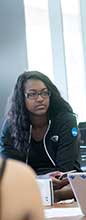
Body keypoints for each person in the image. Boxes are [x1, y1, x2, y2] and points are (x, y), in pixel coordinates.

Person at [0, 71, 81, 201]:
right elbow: (10, 171)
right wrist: (41, 180)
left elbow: (66, 168)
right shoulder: (11, 127)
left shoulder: (66, 120)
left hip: (64, 183)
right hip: (29, 184)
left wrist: (49, 182)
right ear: (21, 98)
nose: (40, 98)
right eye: (32, 94)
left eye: (44, 93)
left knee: (73, 187)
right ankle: (45, 196)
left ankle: (49, 197)